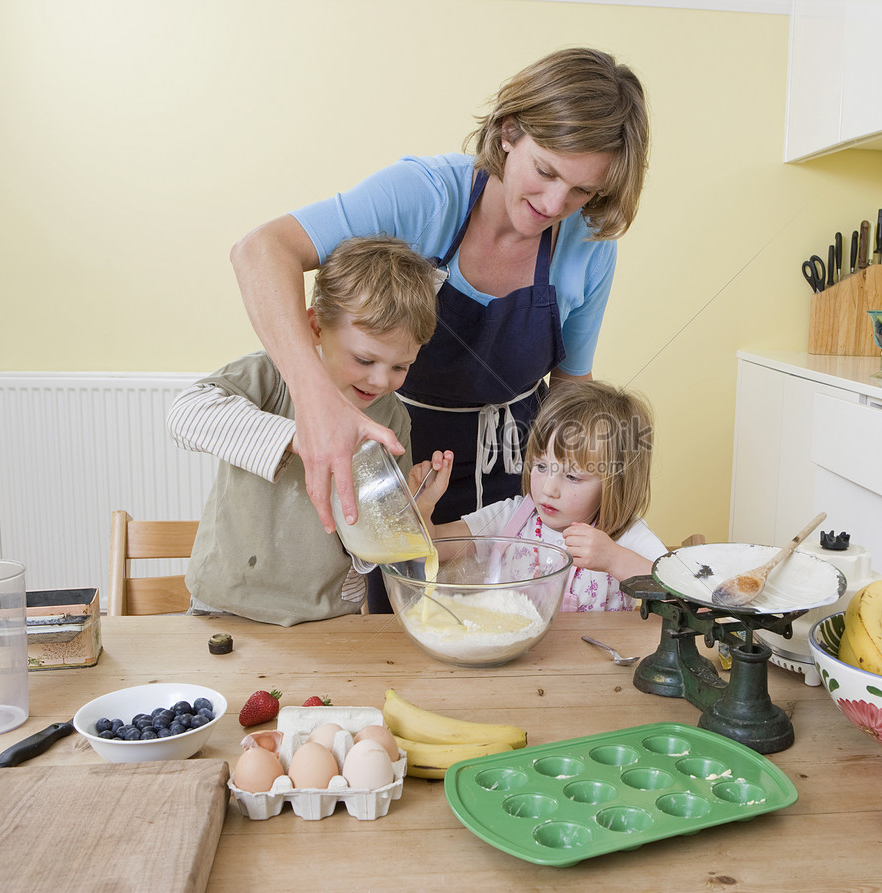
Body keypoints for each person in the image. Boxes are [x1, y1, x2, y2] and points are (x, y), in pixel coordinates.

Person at [230, 47, 650, 531]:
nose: (556, 204)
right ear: (509, 131)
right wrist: (316, 399)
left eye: (583, 191)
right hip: (398, 464)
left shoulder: (590, 243)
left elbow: (572, 388)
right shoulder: (424, 196)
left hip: (515, 482)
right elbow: (260, 251)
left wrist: (594, 500)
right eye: (546, 171)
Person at [168, 236, 441, 626]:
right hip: (226, 606)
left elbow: (372, 539)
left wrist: (413, 511)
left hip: (328, 614)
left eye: (400, 366)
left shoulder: (392, 419)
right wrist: (303, 437)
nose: (381, 380)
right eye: (365, 359)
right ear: (315, 327)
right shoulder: (272, 375)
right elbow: (185, 414)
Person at [412, 381, 666, 612]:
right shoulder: (510, 518)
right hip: (512, 658)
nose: (547, 490)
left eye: (572, 477)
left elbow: (683, 593)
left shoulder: (625, 536)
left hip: (596, 662)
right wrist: (424, 506)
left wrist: (613, 558)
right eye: (541, 467)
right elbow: (427, 549)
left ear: (615, 483)